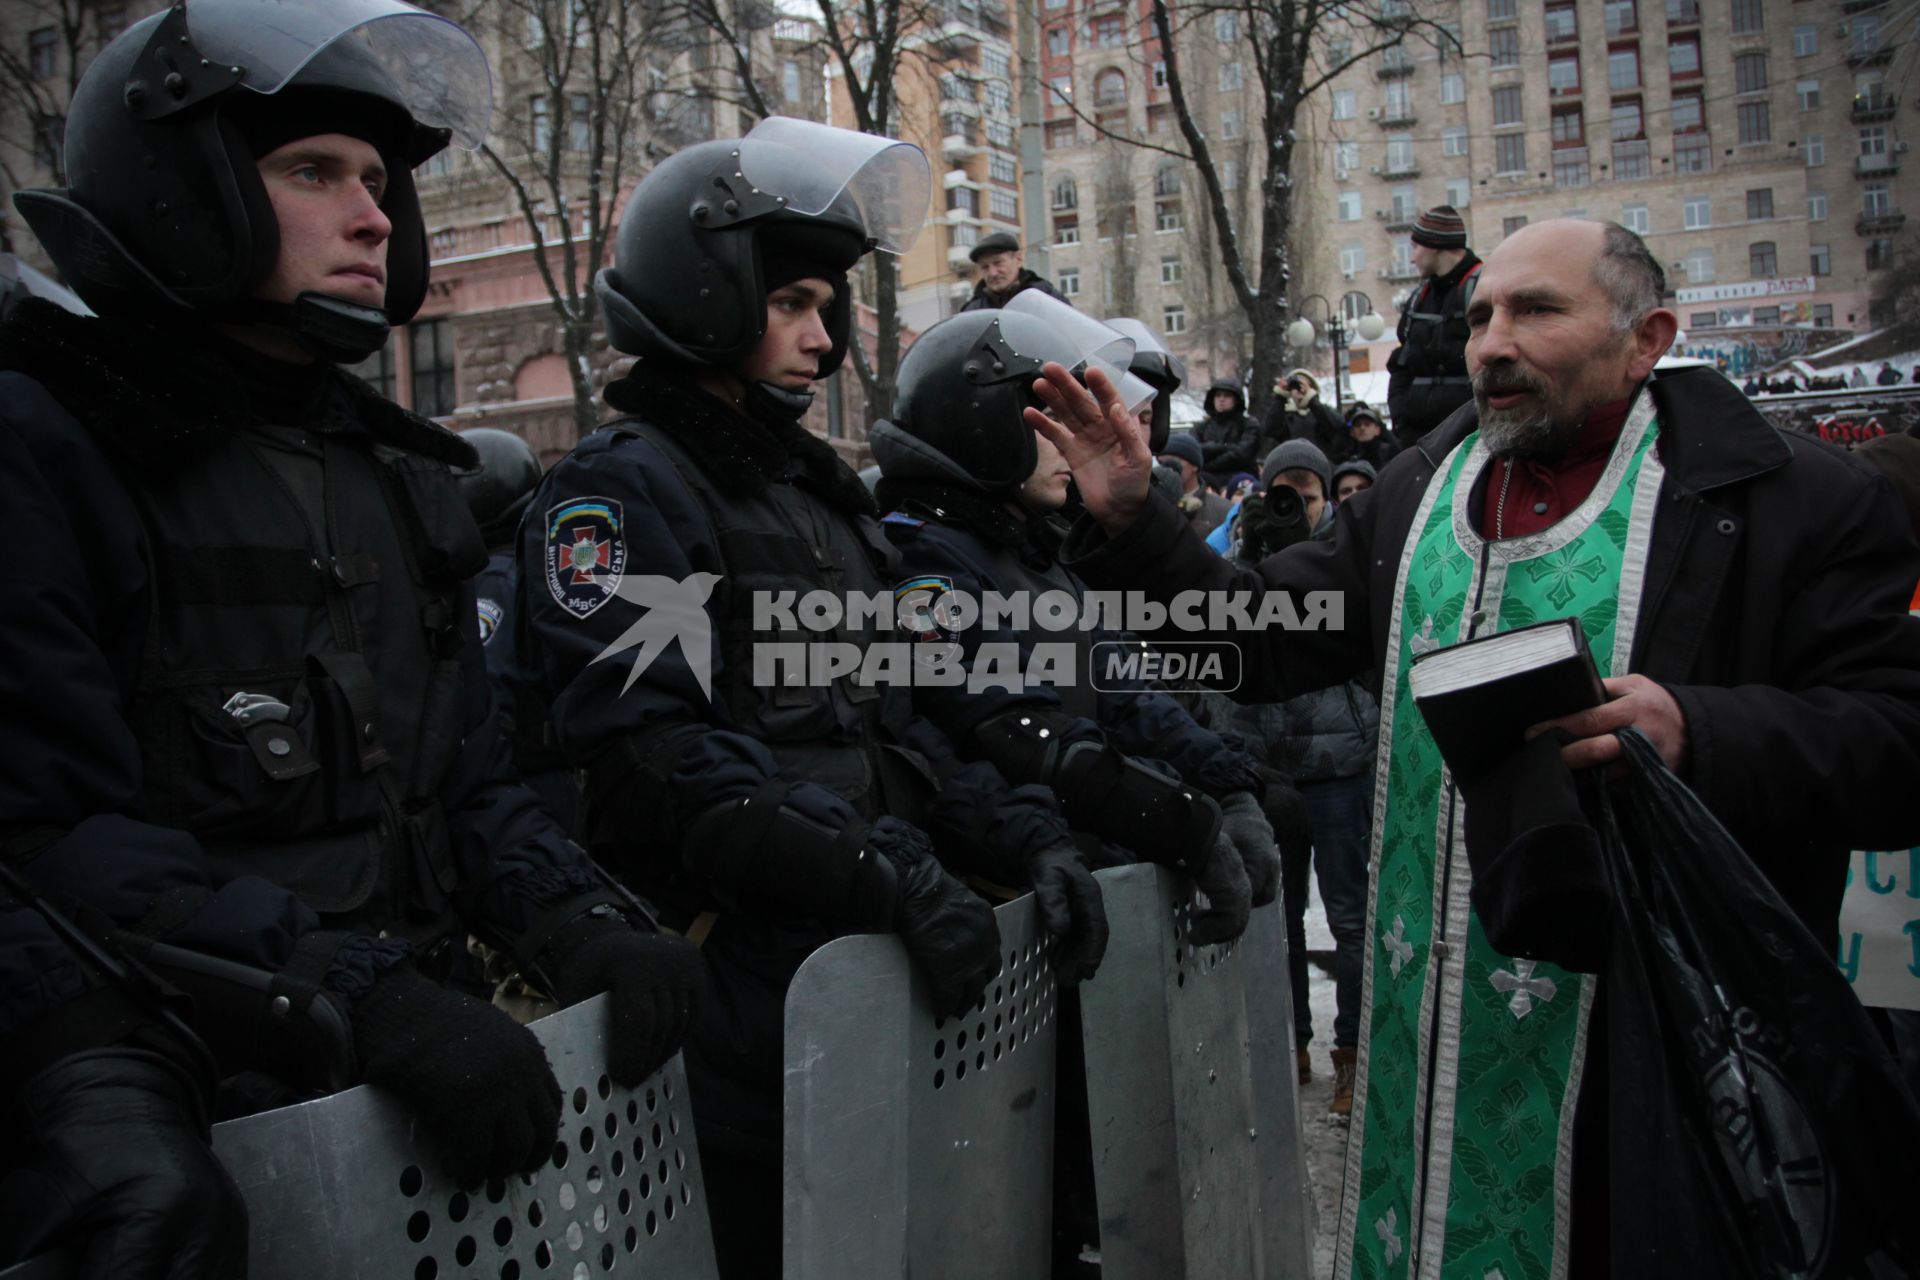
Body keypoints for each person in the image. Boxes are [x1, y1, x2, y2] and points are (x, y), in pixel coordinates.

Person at [1031, 217, 1920, 1278]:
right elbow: (1258, 641)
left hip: (1645, 1062)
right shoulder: (1419, 489)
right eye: (1484, 313)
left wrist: (1702, 730)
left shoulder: (1788, 502)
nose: (1493, 341)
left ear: (1649, 338)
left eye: (1538, 310)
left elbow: (1898, 739)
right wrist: (1136, 522)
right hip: (1431, 1050)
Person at [0, 0, 706, 1223]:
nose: (374, 213)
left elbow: (463, 785)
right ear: (181, 182)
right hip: (207, 1124)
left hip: (421, 1113)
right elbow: (52, 832)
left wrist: (580, 915)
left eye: (378, 178)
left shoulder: (393, 479)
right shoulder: (49, 442)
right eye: (313, 170)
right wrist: (350, 990)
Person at [511, 119, 1068, 1279]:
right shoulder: (622, 492)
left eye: (831, 306)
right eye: (794, 303)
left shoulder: (825, 505)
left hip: (854, 988)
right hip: (726, 1020)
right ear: (706, 297)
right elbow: (656, 759)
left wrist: (1026, 840)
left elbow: (900, 723)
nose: (824, 338)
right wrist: (886, 871)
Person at [871, 306, 1270, 1275]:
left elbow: (1124, 694)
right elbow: (992, 723)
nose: (1074, 444)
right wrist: (1173, 817)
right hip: (1002, 918)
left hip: (1076, 915)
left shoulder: (1029, 549)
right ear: (982, 426)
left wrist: (1232, 783)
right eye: (1048, 418)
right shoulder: (919, 558)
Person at [457, 426, 580, 832]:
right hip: (554, 776)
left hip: (521, 784)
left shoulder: (494, 579)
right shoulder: (539, 569)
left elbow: (484, 688)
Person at [1385, 204, 1481, 449]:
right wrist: (1400, 415)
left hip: (1471, 438)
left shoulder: (1483, 289)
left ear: (1435, 245)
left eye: (1416, 247)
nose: (1412, 257)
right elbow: (1401, 363)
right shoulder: (1419, 298)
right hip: (1418, 439)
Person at [960, 231, 1066, 311]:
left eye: (998, 263)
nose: (993, 273)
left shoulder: (1045, 297)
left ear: (1018, 259)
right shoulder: (973, 310)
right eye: (985, 267)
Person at [1156, 431, 1232, 538]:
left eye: (1174, 461)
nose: (1168, 469)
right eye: (1161, 463)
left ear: (1194, 466)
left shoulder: (1223, 510)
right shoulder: (1152, 505)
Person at [1192, 378, 1260, 488]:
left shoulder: (1249, 424)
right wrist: (1224, 447)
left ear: (1236, 399)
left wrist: (1209, 463)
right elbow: (1194, 451)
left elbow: (1242, 454)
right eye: (1218, 395)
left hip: (1240, 480)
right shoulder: (1201, 427)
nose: (1221, 399)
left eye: (1227, 395)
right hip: (1207, 480)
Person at [1264, 367, 1345, 457]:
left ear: (1313, 389)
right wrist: (1280, 398)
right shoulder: (1284, 416)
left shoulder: (1323, 413)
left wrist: (1313, 402)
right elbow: (1270, 430)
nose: (1299, 389)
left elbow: (1338, 427)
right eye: (1295, 385)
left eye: (1304, 384)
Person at [1334, 400, 1400, 471]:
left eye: (1367, 424)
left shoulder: (1389, 453)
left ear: (1377, 430)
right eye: (1358, 425)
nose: (1362, 428)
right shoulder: (1346, 458)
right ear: (1352, 432)